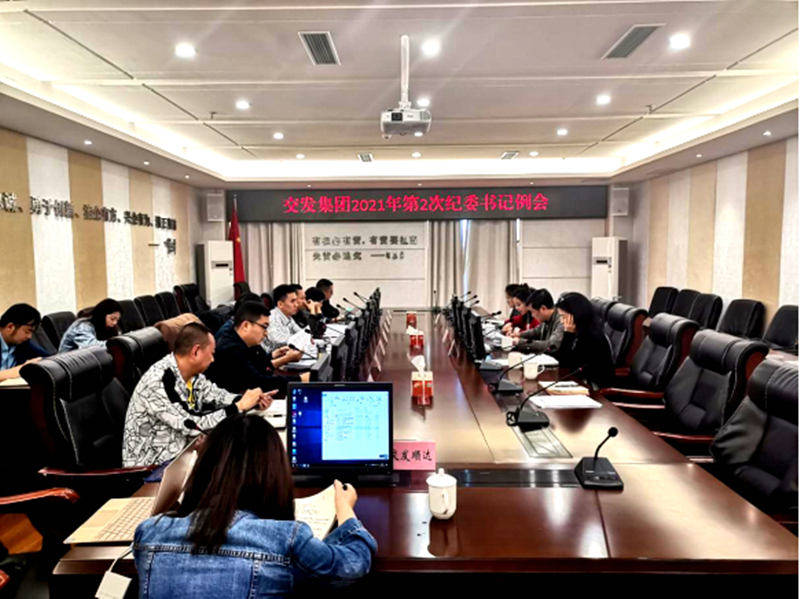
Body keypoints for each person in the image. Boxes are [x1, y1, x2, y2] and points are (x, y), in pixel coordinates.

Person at [134, 414, 377, 597]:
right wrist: (345, 509)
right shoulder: (285, 539)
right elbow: (351, 563)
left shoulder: (149, 533)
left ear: (205, 467)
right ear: (273, 473)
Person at [122, 322, 275, 467]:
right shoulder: (159, 381)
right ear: (195, 351)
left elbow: (217, 396)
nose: (213, 360)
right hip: (152, 470)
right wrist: (239, 406)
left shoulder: (192, 375)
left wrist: (252, 401)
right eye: (211, 354)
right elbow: (192, 424)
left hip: (184, 457)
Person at [205, 301, 309, 396]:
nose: (266, 333)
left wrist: (273, 356)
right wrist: (300, 380)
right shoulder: (230, 349)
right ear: (246, 325)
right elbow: (258, 383)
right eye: (264, 327)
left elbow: (262, 365)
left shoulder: (245, 338)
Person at [553, 292, 615, 389]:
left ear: (576, 315)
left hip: (594, 387)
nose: (561, 321)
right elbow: (564, 363)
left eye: (564, 317)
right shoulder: (580, 331)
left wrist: (568, 334)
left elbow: (568, 365)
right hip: (580, 382)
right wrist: (568, 334)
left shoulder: (592, 338)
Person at [0, 304, 49, 381]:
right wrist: (19, 370)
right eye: (27, 331)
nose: (29, 336)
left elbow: (47, 359)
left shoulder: (22, 344)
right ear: (10, 327)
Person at [513, 289, 564, 353]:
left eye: (533, 312)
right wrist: (519, 335)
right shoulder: (546, 319)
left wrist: (521, 342)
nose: (532, 315)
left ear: (543, 308)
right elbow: (536, 332)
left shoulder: (561, 320)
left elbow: (551, 345)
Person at [265, 284, 305, 353]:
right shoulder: (272, 318)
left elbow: (301, 333)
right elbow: (277, 339)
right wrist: (298, 339)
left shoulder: (288, 316)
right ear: (280, 304)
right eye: (292, 301)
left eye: (296, 301)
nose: (296, 305)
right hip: (271, 357)